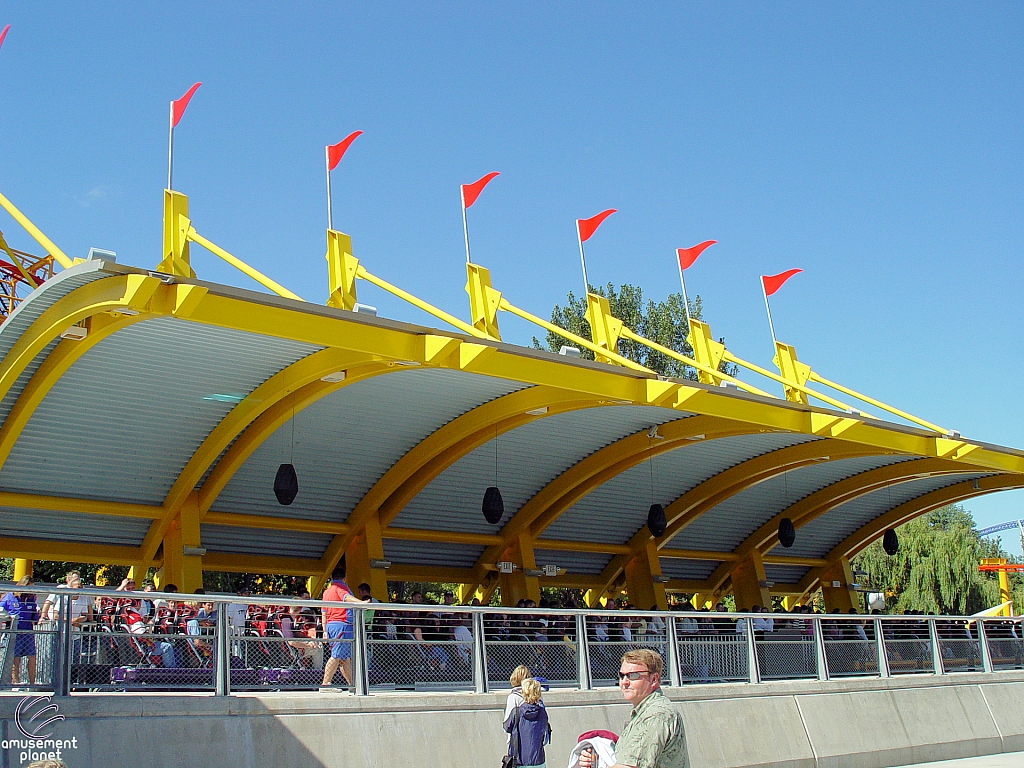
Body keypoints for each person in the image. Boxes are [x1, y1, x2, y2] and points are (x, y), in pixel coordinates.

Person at [579, 648, 687, 768]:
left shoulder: (656, 714)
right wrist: (597, 759)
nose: (624, 682)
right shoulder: (645, 712)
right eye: (621, 676)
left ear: (654, 679)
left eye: (633, 676)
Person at [320, 562, 367, 690]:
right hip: (342, 625)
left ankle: (352, 685)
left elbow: (323, 612)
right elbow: (346, 598)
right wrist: (361, 603)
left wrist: (324, 630)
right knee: (336, 656)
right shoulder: (341, 588)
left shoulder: (326, 592)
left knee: (344, 658)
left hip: (331, 625)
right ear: (344, 578)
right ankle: (325, 684)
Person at [1, 576, 39, 686]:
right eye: (29, 588)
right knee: (15, 658)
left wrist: (37, 615)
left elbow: (34, 615)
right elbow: (1, 610)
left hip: (28, 631)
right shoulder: (9, 597)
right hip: (14, 630)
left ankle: (32, 683)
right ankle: (16, 683)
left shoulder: (31, 598)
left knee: (32, 656)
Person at [505, 677, 549, 768]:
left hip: (519, 759)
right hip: (538, 760)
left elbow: (507, 727)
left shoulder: (517, 712)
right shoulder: (542, 712)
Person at [503, 665, 531, 744]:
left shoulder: (513, 697)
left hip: (517, 740)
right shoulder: (536, 696)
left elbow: (507, 723)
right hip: (533, 740)